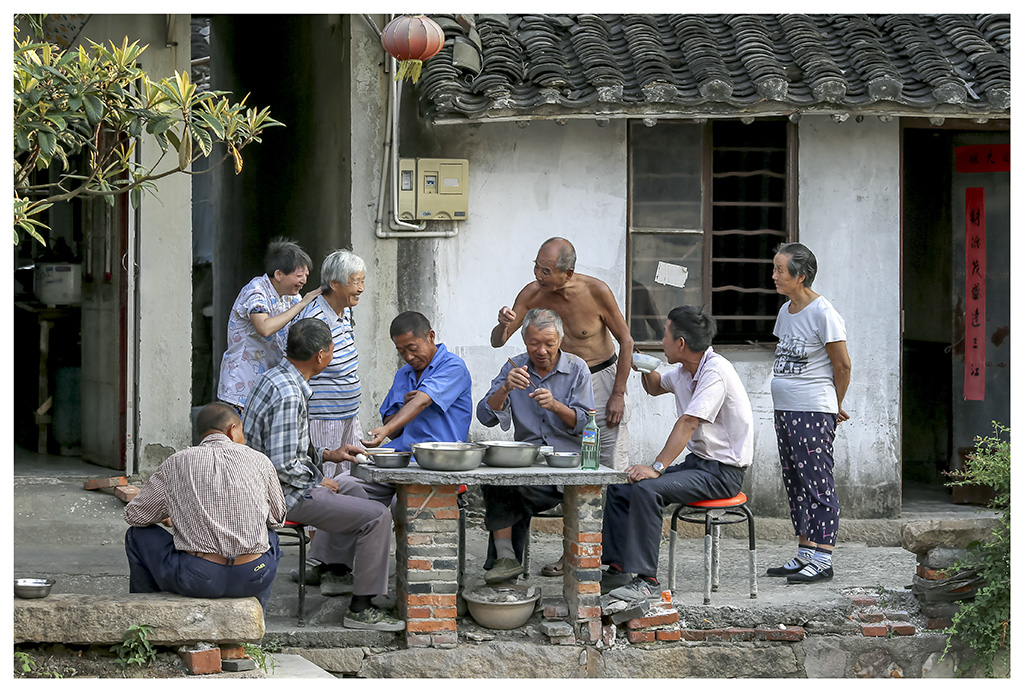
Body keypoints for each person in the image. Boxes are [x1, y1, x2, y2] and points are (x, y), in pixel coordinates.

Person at [242, 318, 404, 631]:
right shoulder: (289, 394)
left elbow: (287, 447)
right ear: (320, 356)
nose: (333, 355)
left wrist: (329, 455)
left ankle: (333, 568)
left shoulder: (277, 377)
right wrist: (318, 481)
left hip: (276, 484)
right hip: (280, 496)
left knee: (352, 486)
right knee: (376, 516)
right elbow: (284, 465)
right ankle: (362, 607)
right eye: (332, 350)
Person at [601, 306, 754, 601]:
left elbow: (689, 422)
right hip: (699, 465)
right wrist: (645, 368)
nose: (662, 341)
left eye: (665, 335)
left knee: (647, 489)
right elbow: (657, 387)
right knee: (622, 487)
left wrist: (657, 467)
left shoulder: (715, 372)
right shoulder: (686, 370)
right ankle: (619, 567)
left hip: (723, 474)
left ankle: (647, 580)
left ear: (680, 343)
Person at [123, 402, 286, 610]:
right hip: (254, 575)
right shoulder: (260, 460)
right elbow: (277, 518)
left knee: (136, 535)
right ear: (232, 430)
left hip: (197, 578)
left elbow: (135, 516)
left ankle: (147, 617)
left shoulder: (177, 462)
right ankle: (254, 624)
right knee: (271, 536)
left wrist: (171, 513)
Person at [491, 237, 633, 470]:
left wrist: (618, 394)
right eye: (536, 266)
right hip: (562, 380)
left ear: (567, 274)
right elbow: (499, 341)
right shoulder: (532, 294)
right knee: (563, 448)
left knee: (608, 456)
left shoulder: (596, 291)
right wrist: (502, 324)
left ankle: (608, 505)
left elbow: (626, 341)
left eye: (545, 271)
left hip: (600, 377)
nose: (538, 275)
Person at [477, 308, 594, 583]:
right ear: (524, 340)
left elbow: (586, 423)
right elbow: (485, 416)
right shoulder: (513, 367)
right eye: (533, 343)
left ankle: (506, 561)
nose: (541, 350)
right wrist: (505, 388)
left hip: (566, 469)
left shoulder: (577, 369)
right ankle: (506, 559)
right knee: (496, 479)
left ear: (560, 341)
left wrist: (556, 406)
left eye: (549, 344)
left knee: (511, 492)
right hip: (526, 465)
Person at [767, 242, 852, 584]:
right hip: (786, 408)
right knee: (795, 481)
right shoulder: (786, 311)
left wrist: (835, 405)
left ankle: (823, 557)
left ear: (800, 276)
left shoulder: (824, 313)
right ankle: (805, 551)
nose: (773, 276)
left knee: (818, 482)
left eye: (779, 270)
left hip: (812, 409)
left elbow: (842, 364)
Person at [217, 238, 321, 411]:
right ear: (279, 274)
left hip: (268, 388)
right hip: (241, 389)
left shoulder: (293, 297)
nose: (304, 280)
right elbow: (264, 328)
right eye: (299, 275)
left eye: (306, 275)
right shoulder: (255, 291)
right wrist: (301, 304)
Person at [297, 249, 367, 477]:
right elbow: (303, 368)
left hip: (348, 413)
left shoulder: (343, 312)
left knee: (352, 475)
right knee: (324, 479)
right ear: (335, 284)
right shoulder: (315, 319)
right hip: (324, 417)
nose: (361, 288)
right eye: (355, 282)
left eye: (362, 281)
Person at [364, 311, 473, 452]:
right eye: (401, 351)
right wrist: (404, 408)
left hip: (442, 454)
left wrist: (386, 428)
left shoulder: (453, 367)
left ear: (431, 336)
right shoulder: (403, 373)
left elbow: (423, 401)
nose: (408, 357)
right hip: (405, 452)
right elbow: (392, 433)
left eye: (413, 348)